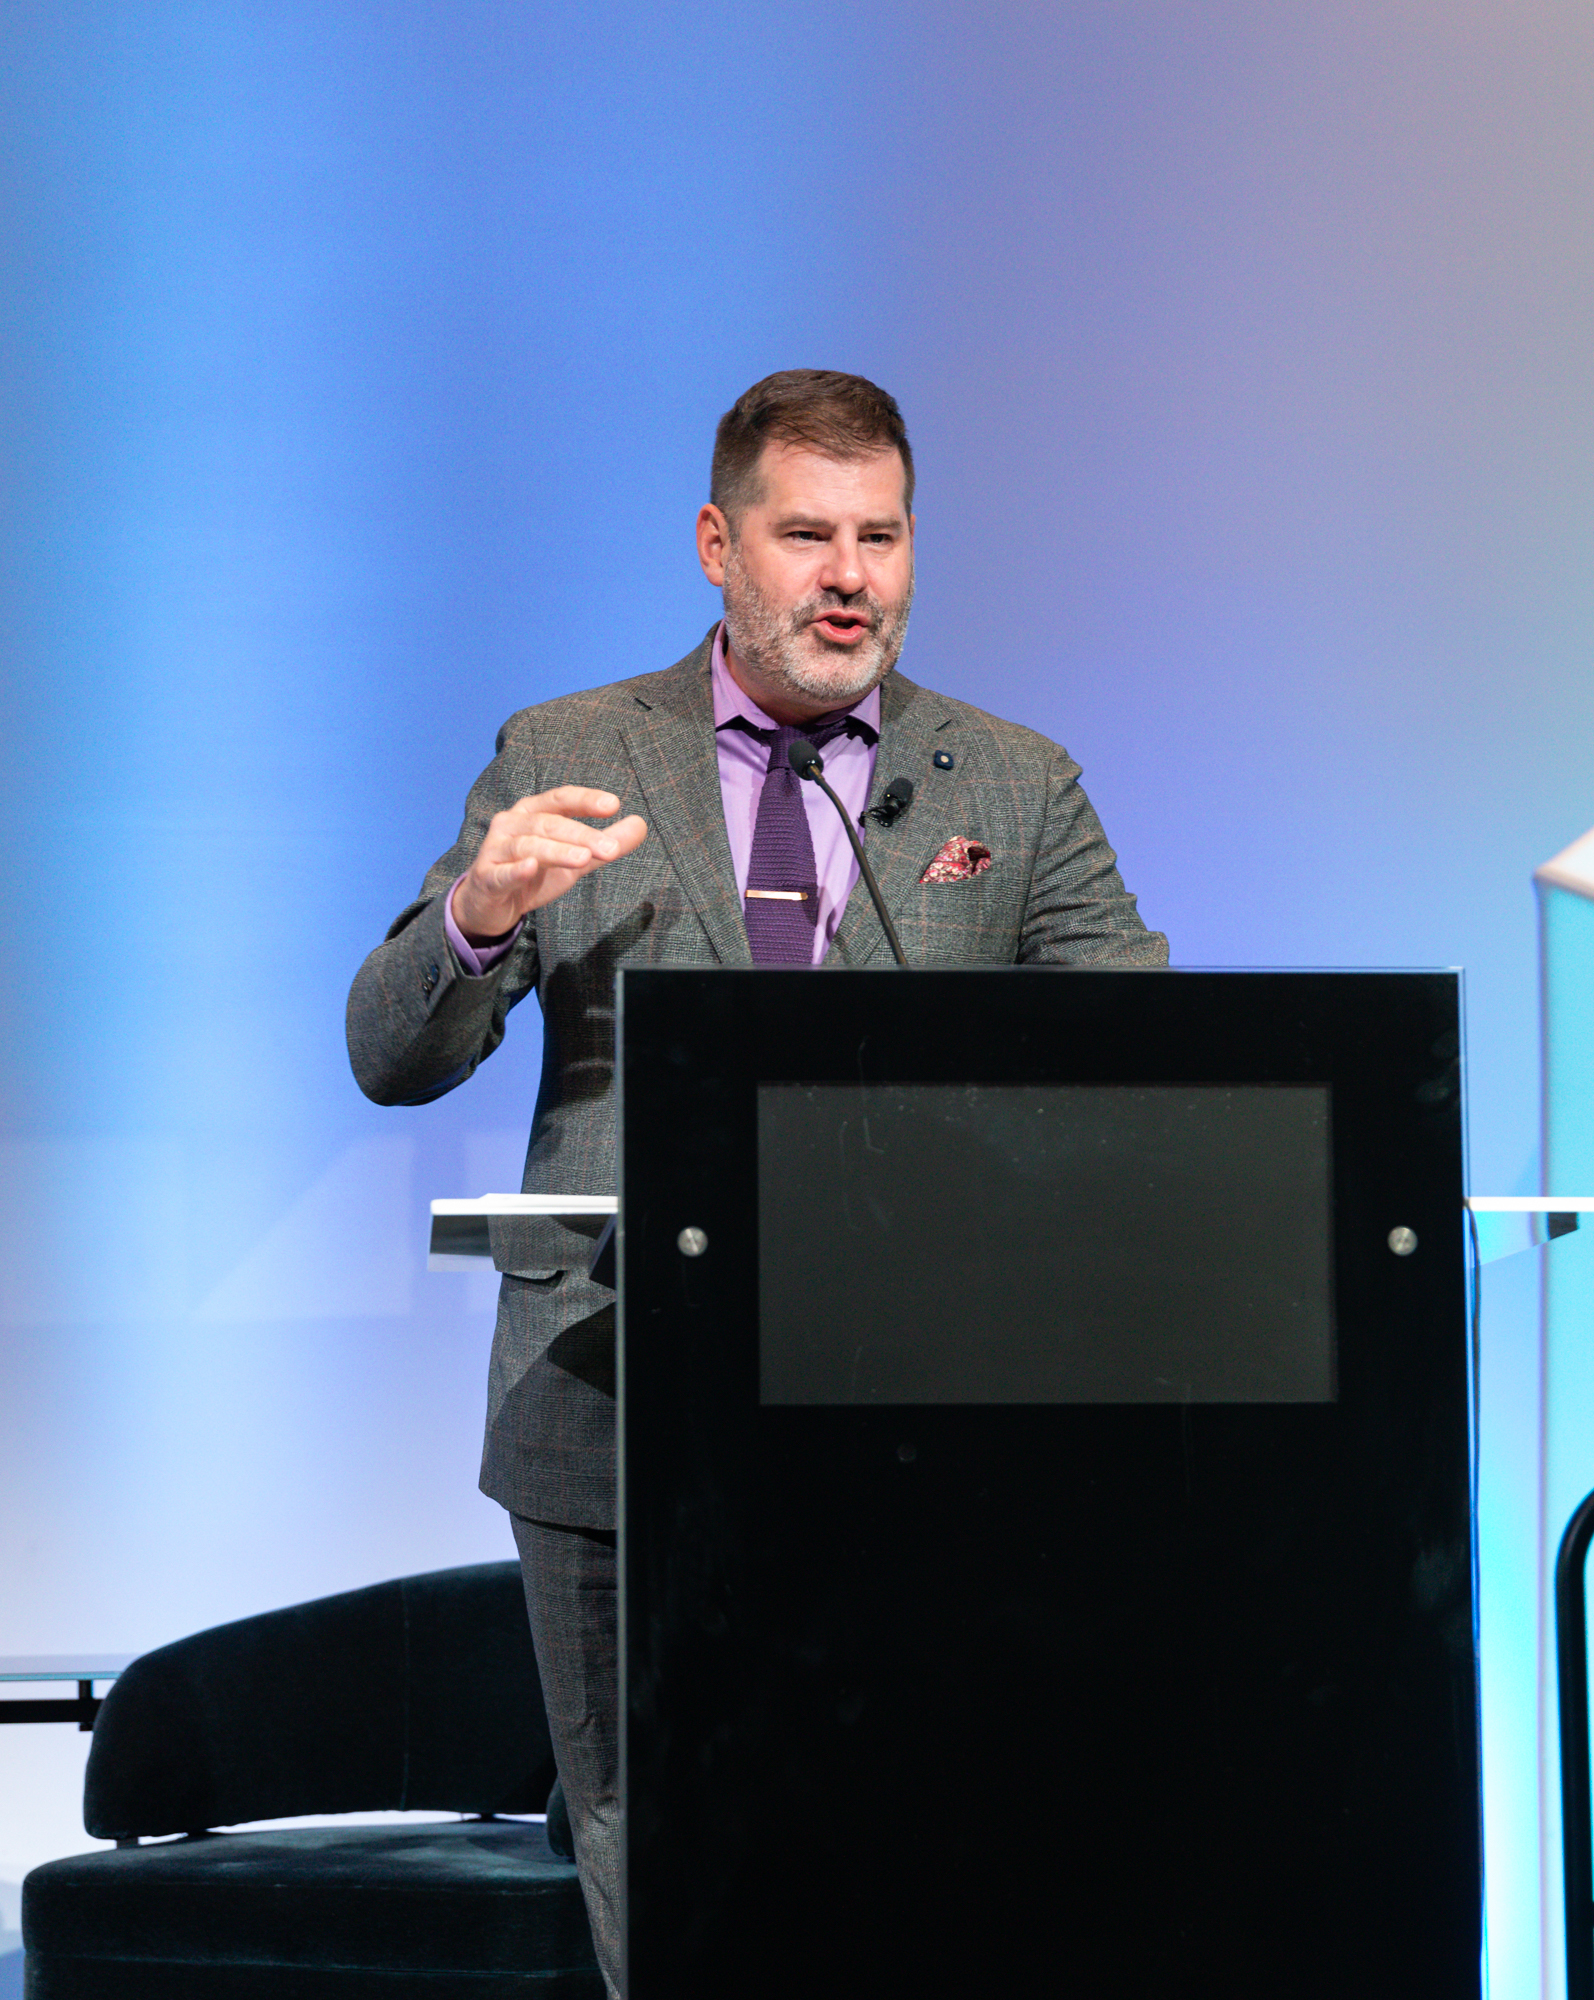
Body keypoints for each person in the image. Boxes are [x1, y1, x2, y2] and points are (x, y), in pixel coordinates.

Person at [346, 369, 1167, 1994]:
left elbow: (1134, 1063)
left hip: (928, 1424)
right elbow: (393, 1052)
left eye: (883, 535)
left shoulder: (1013, 781)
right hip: (614, 1411)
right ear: (720, 545)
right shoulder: (569, 750)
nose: (849, 575)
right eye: (807, 535)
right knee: (654, 1868)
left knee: (920, 1856)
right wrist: (480, 920)